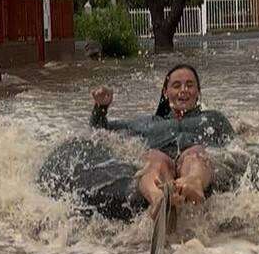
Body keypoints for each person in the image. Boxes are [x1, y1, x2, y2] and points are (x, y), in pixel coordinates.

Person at [90, 64, 234, 212]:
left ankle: (193, 184)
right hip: (161, 166)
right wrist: (101, 107)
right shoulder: (148, 123)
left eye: (189, 85)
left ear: (198, 92)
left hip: (199, 169)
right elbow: (101, 130)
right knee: (155, 158)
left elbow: (236, 147)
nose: (183, 90)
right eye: (177, 86)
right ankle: (157, 197)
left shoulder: (214, 119)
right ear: (166, 92)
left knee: (195, 153)